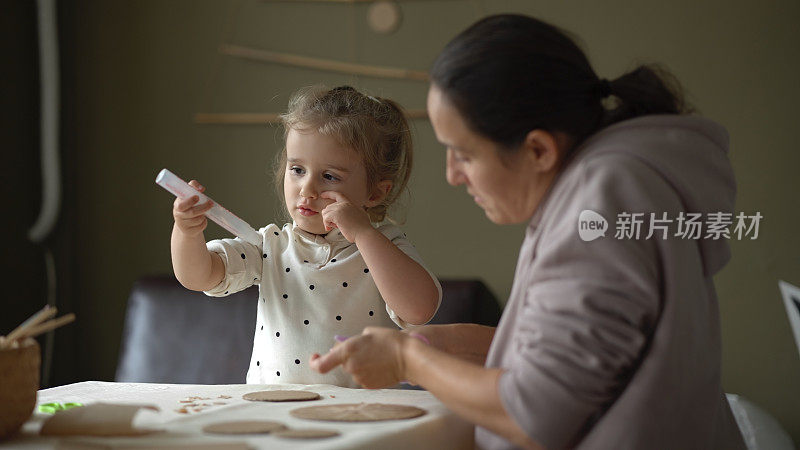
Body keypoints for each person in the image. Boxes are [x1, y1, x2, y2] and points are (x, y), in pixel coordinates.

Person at [310, 14, 746, 449]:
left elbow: (533, 415)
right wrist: (458, 343)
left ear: (538, 149)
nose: (452, 176)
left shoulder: (600, 206)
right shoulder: (618, 183)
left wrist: (409, 360)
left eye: (463, 154)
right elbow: (591, 357)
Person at [170, 85, 442, 387]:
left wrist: (364, 233)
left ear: (376, 192)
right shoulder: (269, 247)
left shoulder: (383, 245)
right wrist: (187, 232)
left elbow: (419, 310)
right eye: (297, 169)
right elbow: (198, 276)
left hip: (359, 415)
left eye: (329, 177)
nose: (307, 190)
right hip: (275, 412)